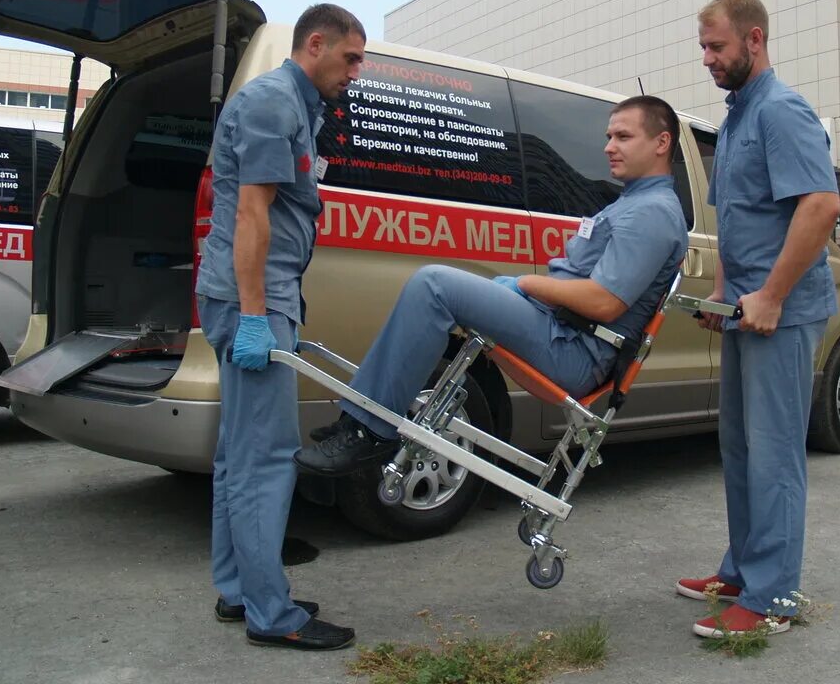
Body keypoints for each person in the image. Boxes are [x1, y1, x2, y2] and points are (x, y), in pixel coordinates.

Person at [293, 95, 689, 477]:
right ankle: (359, 418)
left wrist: (527, 283)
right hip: (559, 330)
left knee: (434, 285)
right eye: (608, 137)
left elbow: (604, 303)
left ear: (661, 142)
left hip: (572, 349)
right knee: (452, 287)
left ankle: (369, 430)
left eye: (623, 137)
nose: (608, 147)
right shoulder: (633, 203)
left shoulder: (651, 213)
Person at [194, 3, 366, 652]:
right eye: (349, 58)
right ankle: (274, 614)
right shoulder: (274, 105)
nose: (356, 71)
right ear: (314, 44)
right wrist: (259, 318)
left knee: (237, 455)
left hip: (253, 297)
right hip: (253, 301)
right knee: (266, 458)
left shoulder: (297, 105)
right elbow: (251, 220)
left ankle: (240, 588)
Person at [679, 0, 840, 639]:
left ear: (754, 40)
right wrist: (723, 292)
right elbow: (736, 222)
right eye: (703, 49)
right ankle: (744, 570)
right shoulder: (739, 118)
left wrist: (771, 295)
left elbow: (820, 206)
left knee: (774, 454)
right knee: (742, 448)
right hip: (747, 309)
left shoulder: (781, 110)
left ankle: (773, 598)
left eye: (716, 47)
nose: (708, 60)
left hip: (782, 311)